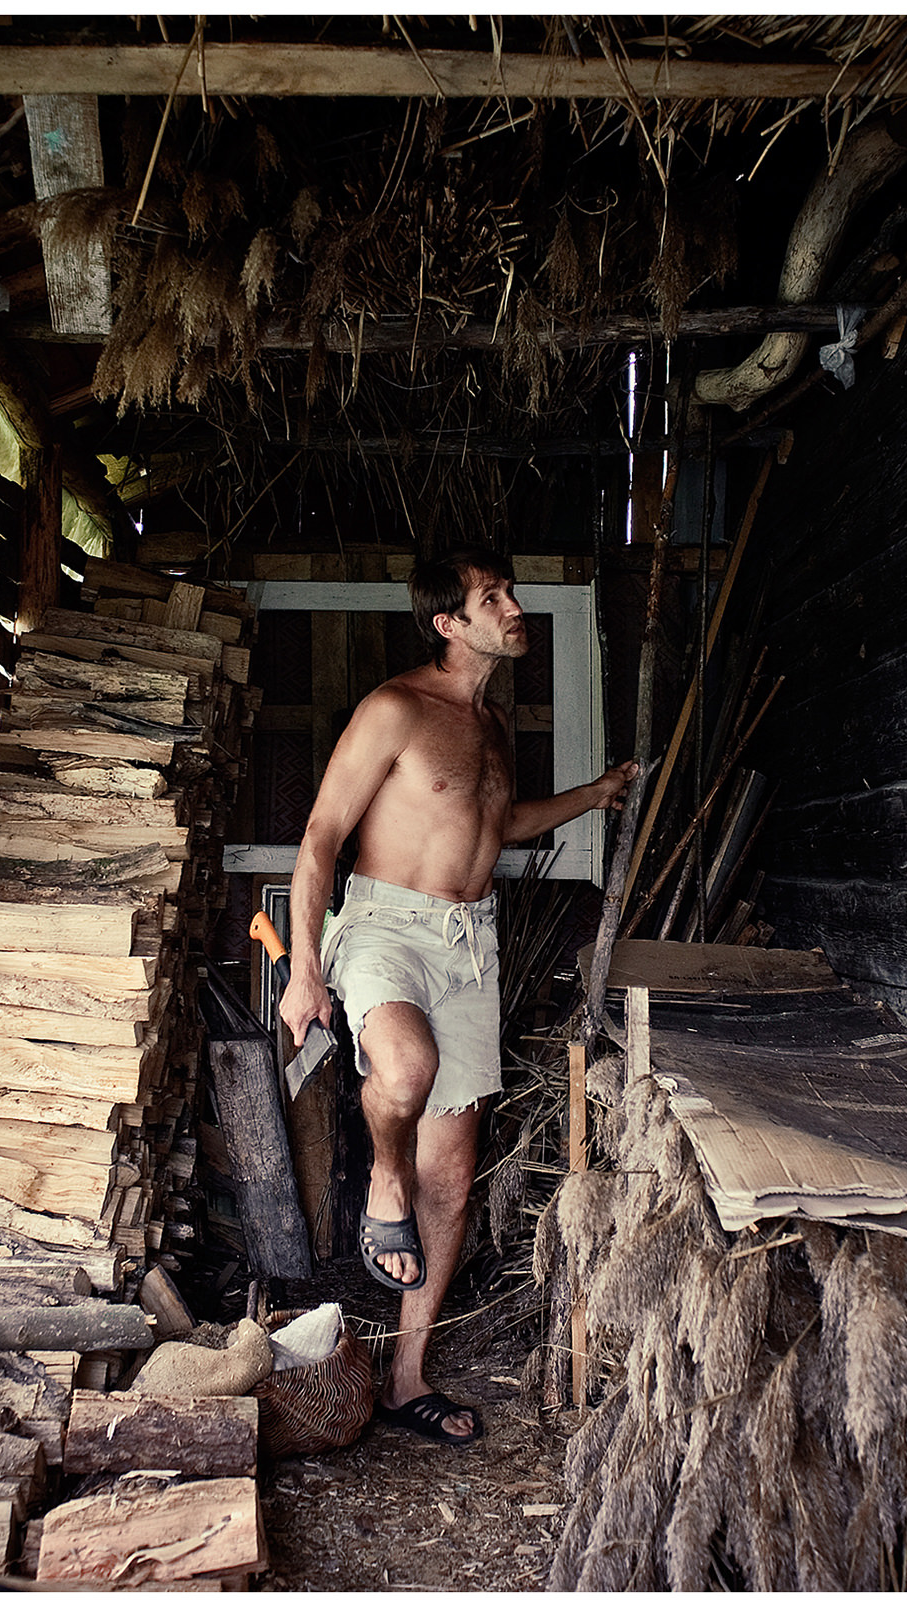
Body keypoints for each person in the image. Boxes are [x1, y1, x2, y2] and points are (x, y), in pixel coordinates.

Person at [277, 548, 636, 1447]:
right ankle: (380, 1175)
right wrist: (305, 967)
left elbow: (495, 824)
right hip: (389, 927)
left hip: (471, 945)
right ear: (449, 623)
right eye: (494, 598)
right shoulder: (396, 709)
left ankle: (406, 1378)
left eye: (509, 593)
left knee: (451, 1170)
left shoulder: (492, 724)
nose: (514, 607)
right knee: (403, 1068)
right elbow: (322, 834)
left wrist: (592, 796)